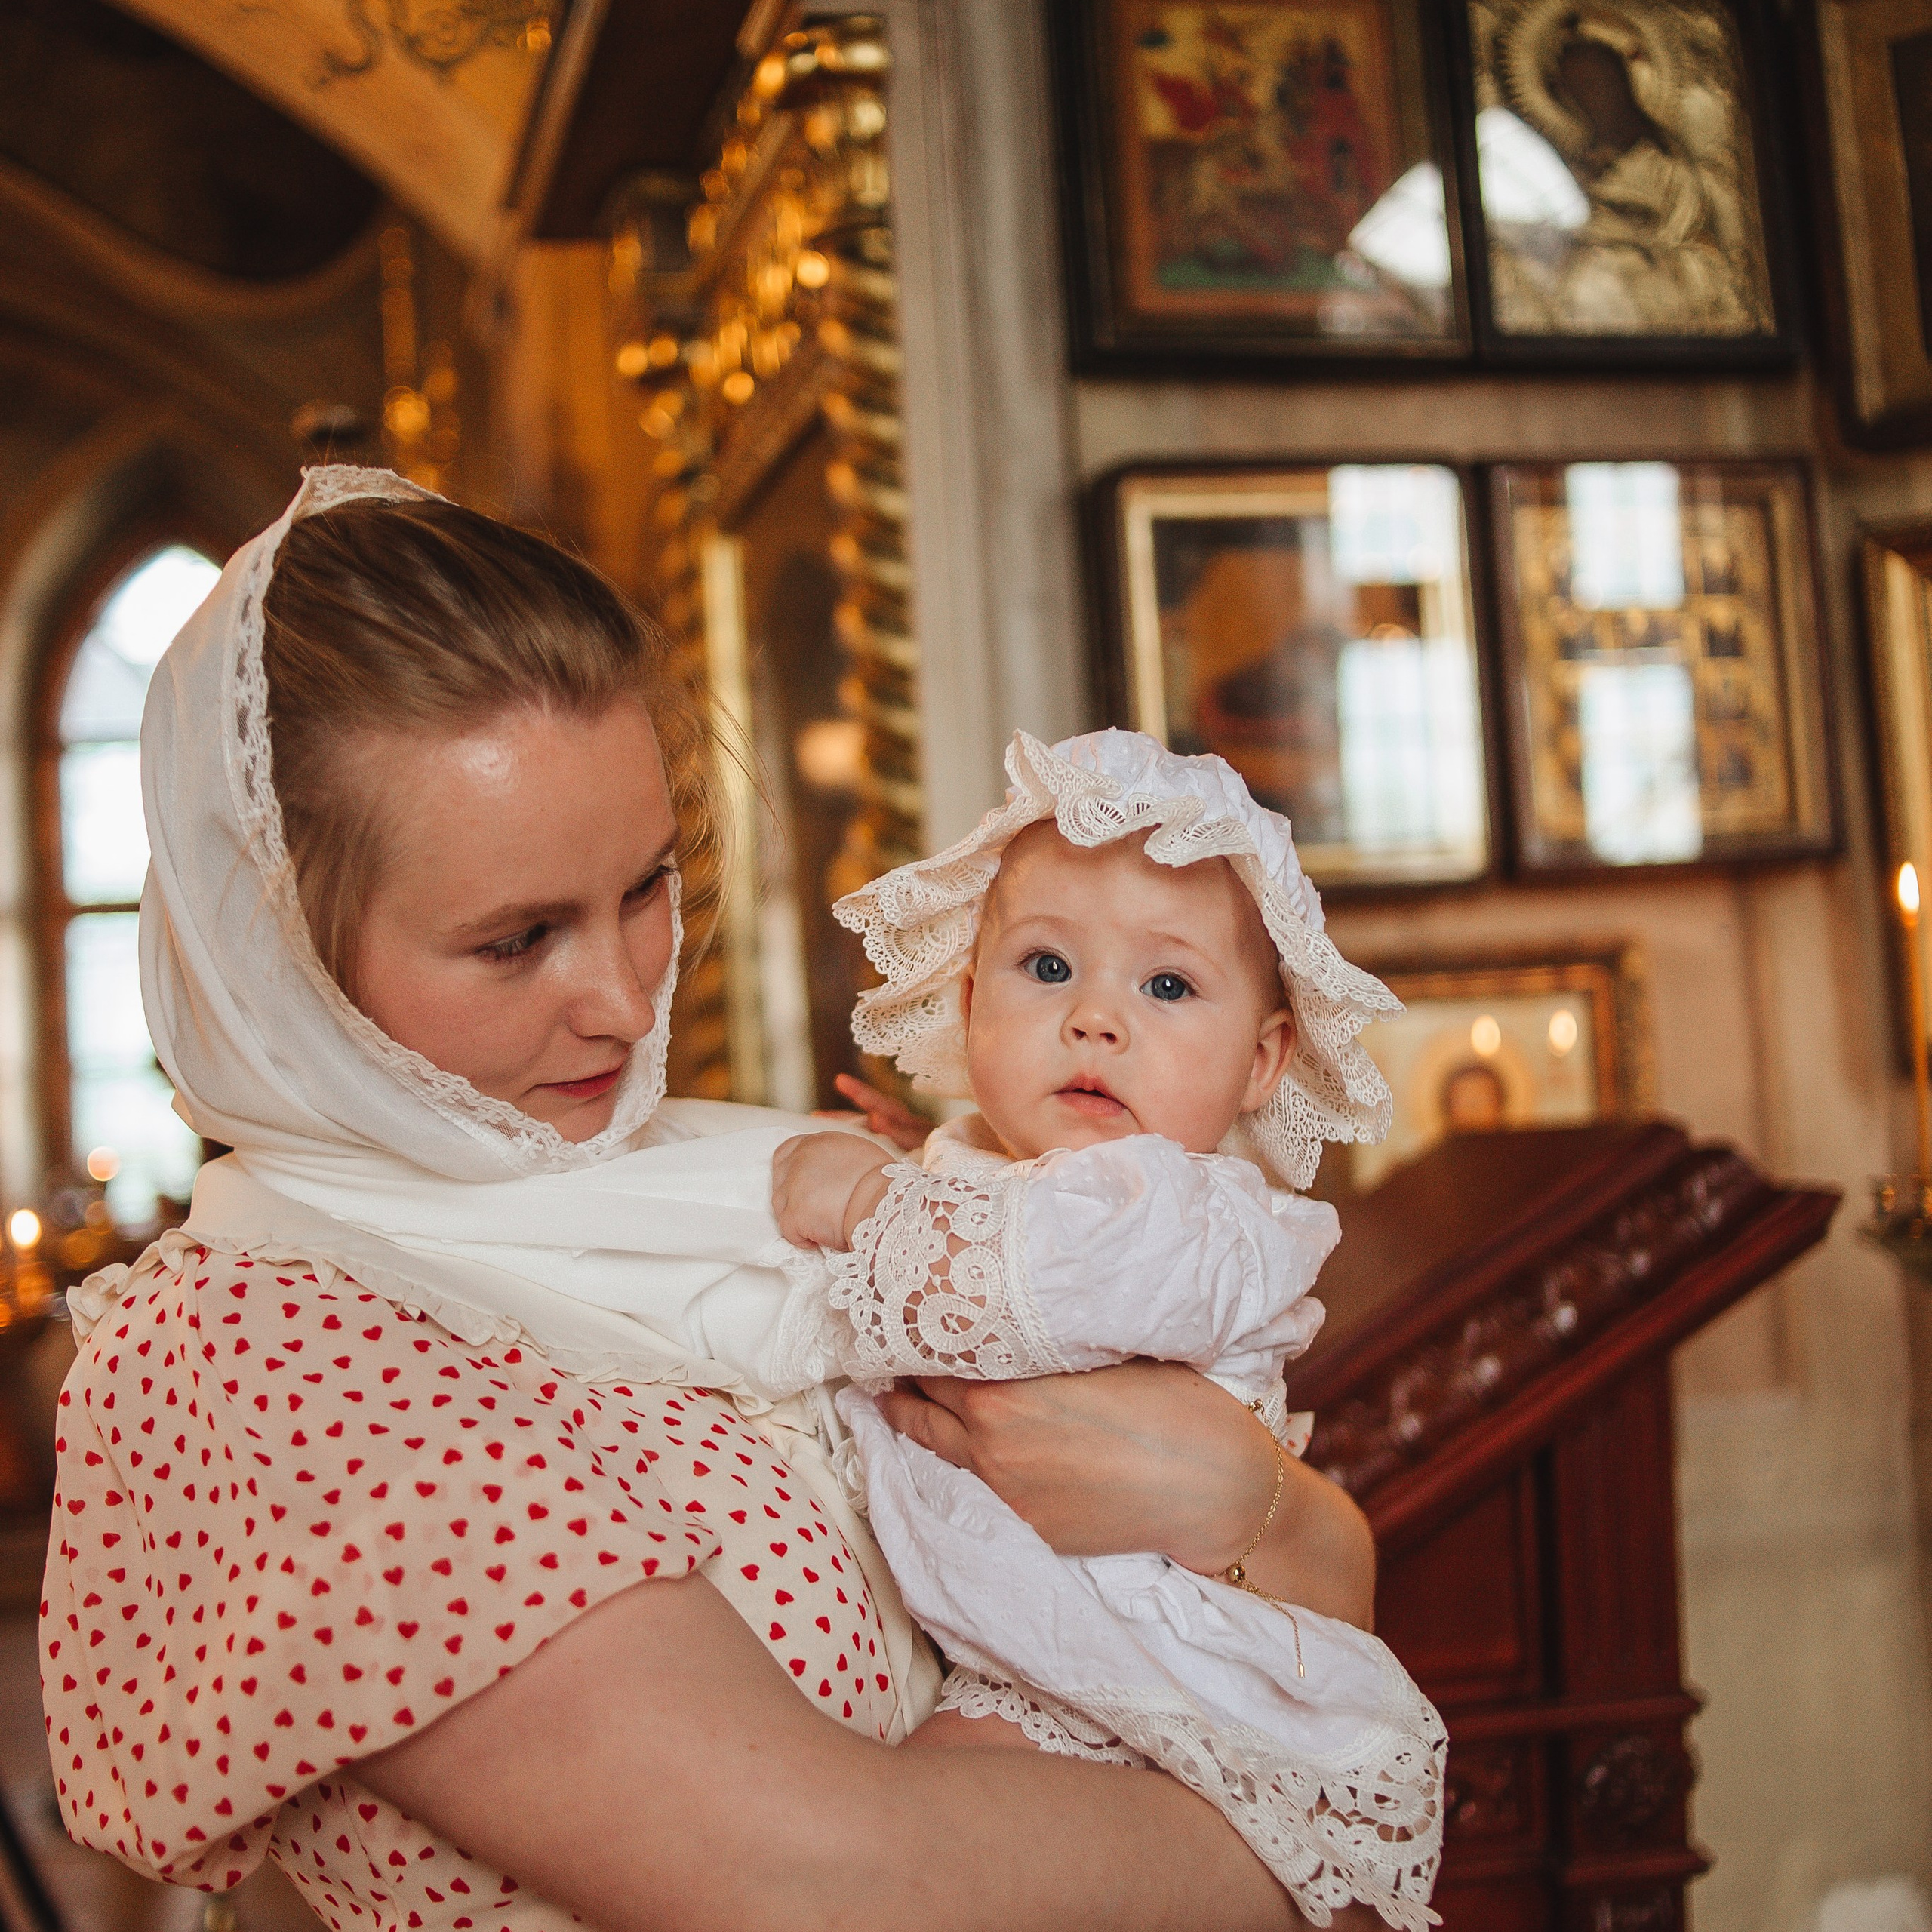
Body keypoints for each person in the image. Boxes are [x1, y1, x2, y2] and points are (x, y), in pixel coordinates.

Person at [42, 468, 1384, 1932]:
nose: (626, 1002)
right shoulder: (257, 1348)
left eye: (644, 887)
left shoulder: (753, 1172)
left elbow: (1268, 1556)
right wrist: (1326, 1824)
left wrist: (1269, 1510)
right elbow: (830, 1890)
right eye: (515, 939)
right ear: (277, 956)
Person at [769, 730, 1444, 1930]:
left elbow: (1038, 1283)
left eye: (1167, 987)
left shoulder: (1187, 1214)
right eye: (1046, 967)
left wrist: (872, 1201)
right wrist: (922, 1167)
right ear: (968, 1006)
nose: (1094, 1020)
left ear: (1262, 1062)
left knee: (883, 1860)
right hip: (1035, 1663)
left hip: (1149, 1678)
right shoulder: (1002, 1175)